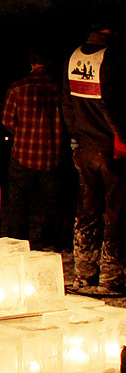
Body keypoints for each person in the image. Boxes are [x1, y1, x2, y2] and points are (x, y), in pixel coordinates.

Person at [62, 22, 125, 296]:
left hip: (83, 147)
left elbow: (67, 104)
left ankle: (84, 274)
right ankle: (111, 277)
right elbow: (115, 104)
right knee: (116, 214)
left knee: (86, 212)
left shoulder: (73, 57)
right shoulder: (111, 59)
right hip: (111, 149)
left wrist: (75, 137)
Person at [1, 51, 66, 250]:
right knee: (52, 205)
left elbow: (7, 121)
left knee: (19, 204)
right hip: (53, 155)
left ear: (31, 63)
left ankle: (18, 242)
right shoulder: (60, 90)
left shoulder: (18, 88)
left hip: (23, 155)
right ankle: (51, 242)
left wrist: (23, 132)